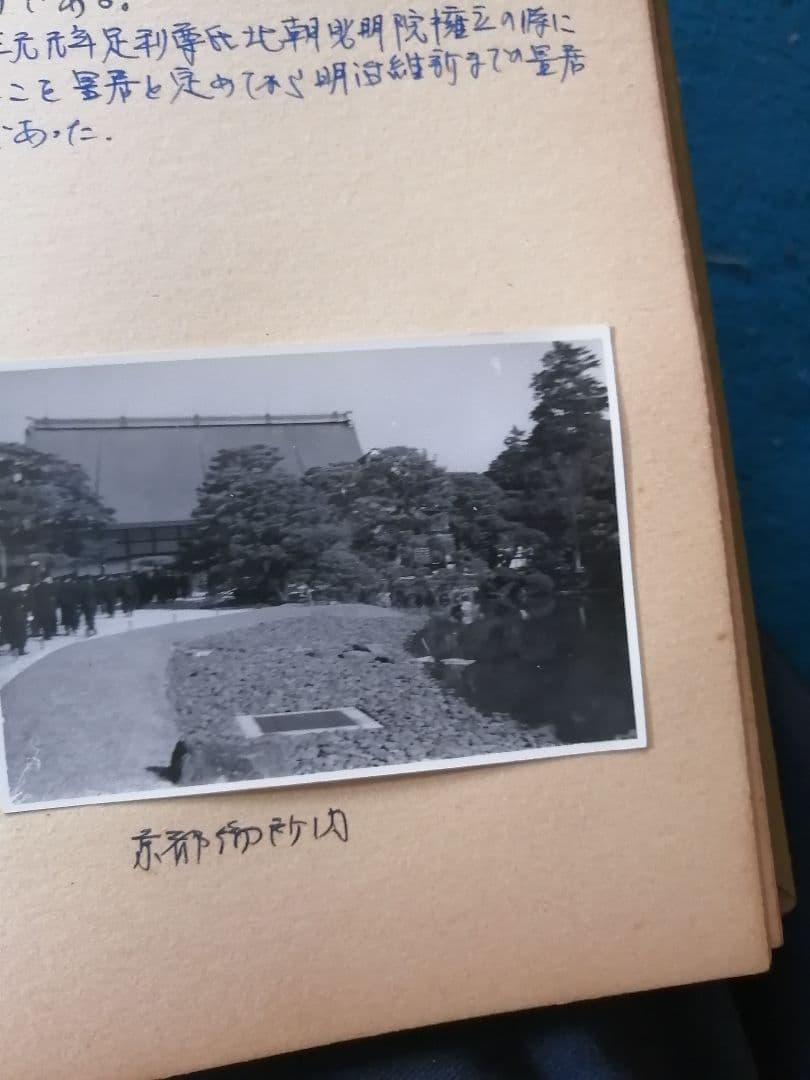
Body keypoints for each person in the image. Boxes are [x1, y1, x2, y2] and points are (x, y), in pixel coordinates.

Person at [31, 576, 58, 641]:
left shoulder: (37, 587)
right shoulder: (50, 586)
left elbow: (34, 598)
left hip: (40, 607)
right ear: (46, 579)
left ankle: (45, 634)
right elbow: (53, 596)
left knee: (44, 621)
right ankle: (48, 634)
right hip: (49, 606)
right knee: (49, 620)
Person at [7, 585, 30, 656]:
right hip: (19, 617)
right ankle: (21, 649)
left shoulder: (8, 594)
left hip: (12, 617)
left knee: (15, 633)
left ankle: (14, 648)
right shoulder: (18, 595)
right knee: (22, 633)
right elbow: (24, 603)